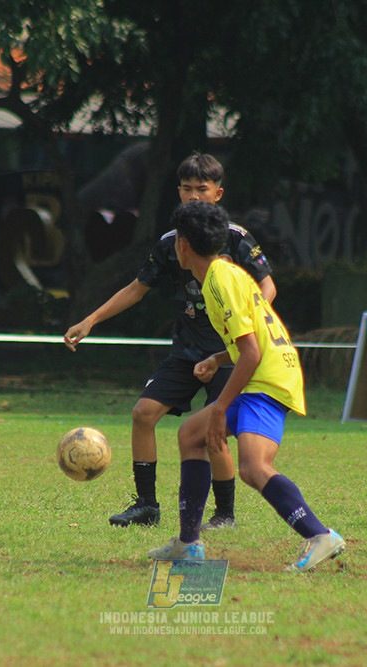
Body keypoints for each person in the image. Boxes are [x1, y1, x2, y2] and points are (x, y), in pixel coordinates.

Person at [65, 153, 276, 529]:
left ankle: (224, 514)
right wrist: (91, 319)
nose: (194, 196)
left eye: (202, 189)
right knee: (143, 414)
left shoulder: (236, 239)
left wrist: (244, 320)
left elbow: (267, 287)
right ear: (178, 192)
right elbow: (136, 288)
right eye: (187, 189)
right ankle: (147, 505)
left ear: (218, 193)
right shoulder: (170, 243)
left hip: (227, 353)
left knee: (213, 429)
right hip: (186, 350)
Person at [147, 201, 345, 572]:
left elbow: (252, 352)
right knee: (191, 434)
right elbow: (249, 339)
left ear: (183, 246)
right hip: (265, 370)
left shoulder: (220, 280)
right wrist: (219, 359)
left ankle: (320, 535)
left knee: (254, 467)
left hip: (267, 377)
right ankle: (188, 544)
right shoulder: (223, 275)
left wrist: (220, 406)